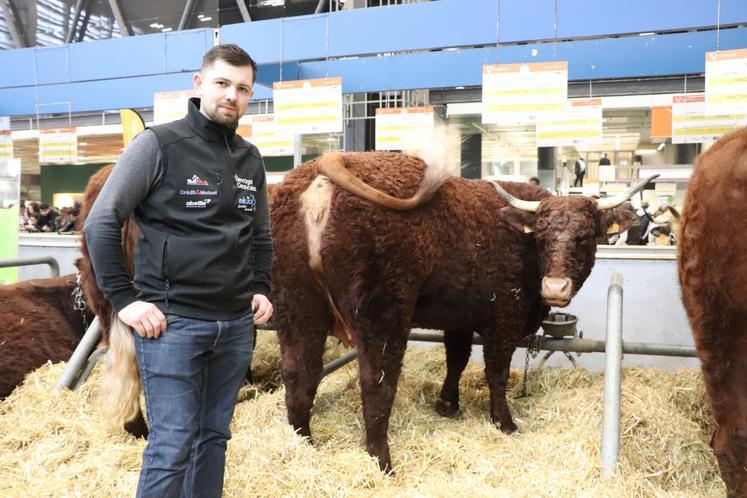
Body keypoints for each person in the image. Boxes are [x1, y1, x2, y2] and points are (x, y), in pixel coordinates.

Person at [84, 44, 273, 498]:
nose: (232, 95)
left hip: (234, 325)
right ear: (199, 84)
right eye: (223, 83)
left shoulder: (251, 159)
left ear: (250, 96)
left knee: (214, 438)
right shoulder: (157, 145)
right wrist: (126, 302)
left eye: (242, 88)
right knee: (171, 444)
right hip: (172, 324)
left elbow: (260, 236)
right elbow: (101, 222)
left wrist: (261, 287)